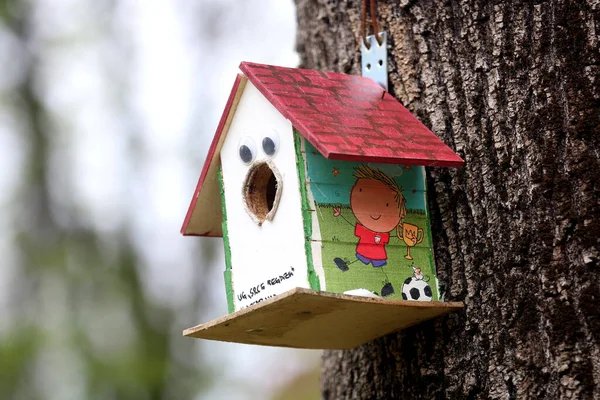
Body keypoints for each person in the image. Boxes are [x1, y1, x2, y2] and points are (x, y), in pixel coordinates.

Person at [333, 165, 407, 296]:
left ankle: (387, 286)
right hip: (363, 251)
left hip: (378, 255)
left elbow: (384, 240)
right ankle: (345, 264)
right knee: (358, 262)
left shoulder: (383, 233)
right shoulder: (364, 228)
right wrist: (341, 215)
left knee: (380, 269)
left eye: (385, 205)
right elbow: (352, 225)